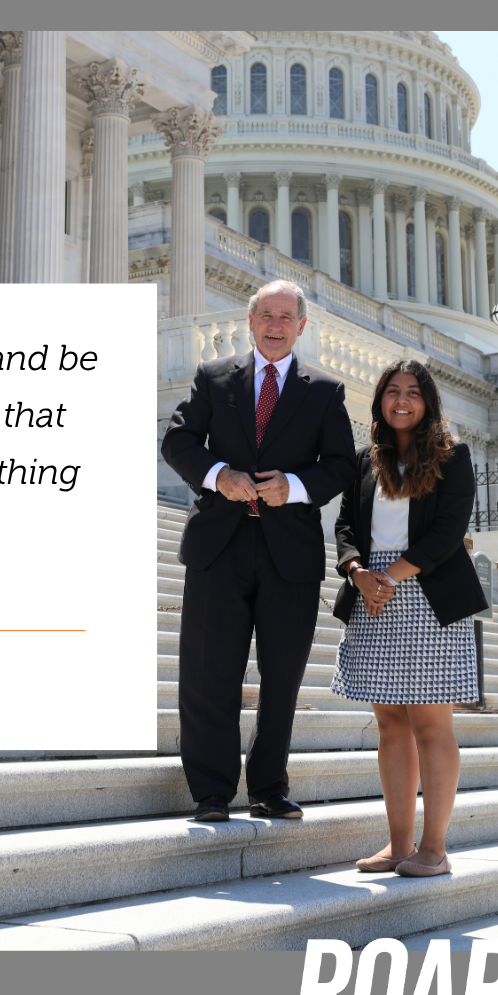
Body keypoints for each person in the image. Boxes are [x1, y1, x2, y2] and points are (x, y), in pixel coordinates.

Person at [161, 279, 357, 823]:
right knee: (208, 672)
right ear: (250, 322)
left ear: (301, 326)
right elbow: (177, 440)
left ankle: (270, 786)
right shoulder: (214, 376)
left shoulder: (325, 390)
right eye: (266, 315)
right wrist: (217, 475)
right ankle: (212, 792)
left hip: (287, 553)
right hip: (217, 546)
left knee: (282, 677)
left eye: (285, 316)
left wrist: (292, 486)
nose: (275, 324)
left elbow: (341, 464)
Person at [332, 359, 487, 876]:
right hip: (372, 594)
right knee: (389, 723)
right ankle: (398, 846)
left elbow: (448, 531)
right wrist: (357, 572)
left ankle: (434, 849)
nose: (402, 400)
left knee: (430, 723)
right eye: (392, 391)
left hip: (427, 594)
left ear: (428, 403)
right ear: (379, 401)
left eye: (413, 392)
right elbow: (346, 525)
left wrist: (390, 577)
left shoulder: (453, 455)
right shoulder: (364, 461)